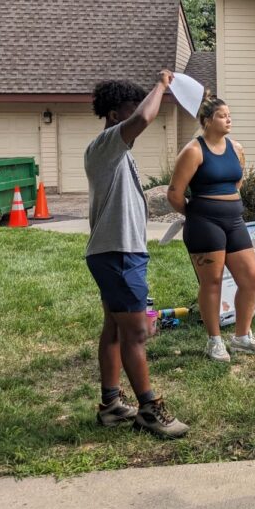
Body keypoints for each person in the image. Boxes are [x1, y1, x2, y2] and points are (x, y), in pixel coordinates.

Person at [84, 72, 189, 439]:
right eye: (129, 111)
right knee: (137, 332)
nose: (139, 118)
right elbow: (143, 118)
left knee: (115, 328)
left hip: (119, 252)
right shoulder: (106, 144)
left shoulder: (116, 152)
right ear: (115, 115)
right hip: (117, 254)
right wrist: (161, 85)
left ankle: (111, 405)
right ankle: (148, 408)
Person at [167, 95, 255, 362]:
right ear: (207, 120)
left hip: (234, 221)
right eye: (223, 115)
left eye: (229, 114)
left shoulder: (236, 148)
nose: (229, 119)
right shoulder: (194, 150)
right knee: (211, 282)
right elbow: (175, 193)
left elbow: (237, 182)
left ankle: (242, 337)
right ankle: (214, 341)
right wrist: (197, 213)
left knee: (251, 277)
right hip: (204, 223)